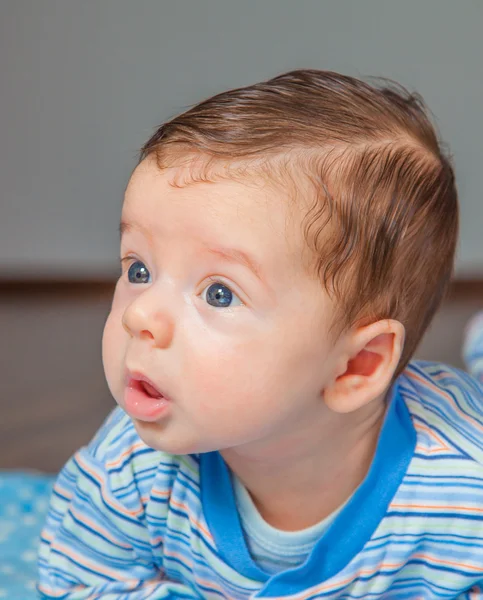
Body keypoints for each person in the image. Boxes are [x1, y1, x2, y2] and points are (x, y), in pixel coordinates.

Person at [38, 69, 483, 599]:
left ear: (355, 365)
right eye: (139, 270)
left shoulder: (461, 493)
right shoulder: (130, 470)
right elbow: (80, 582)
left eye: (219, 293)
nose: (141, 317)